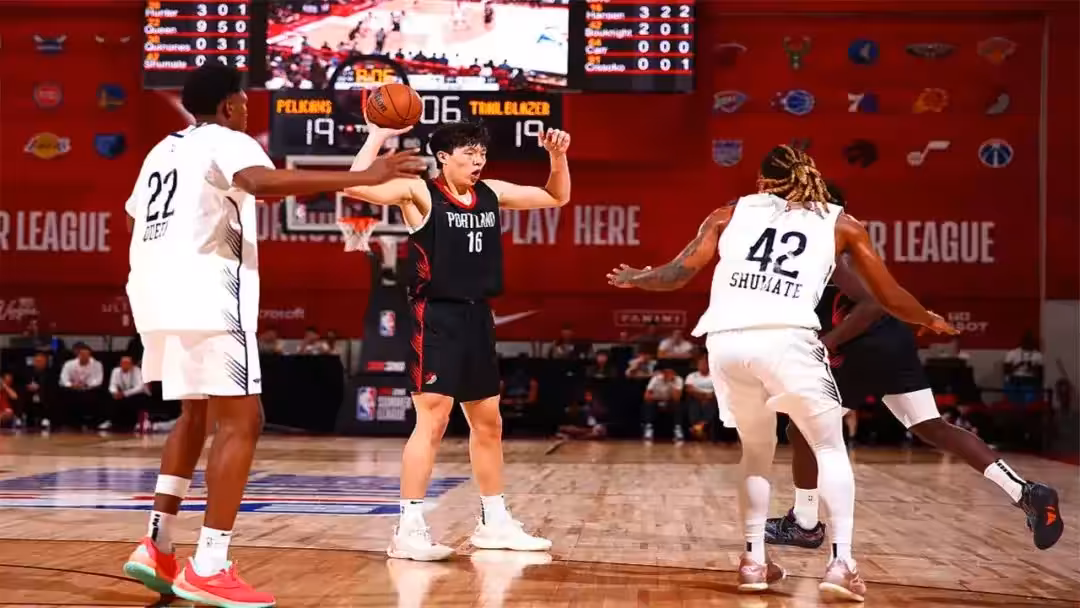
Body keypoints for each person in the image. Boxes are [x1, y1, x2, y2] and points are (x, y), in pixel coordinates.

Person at [119, 63, 426, 607]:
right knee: (243, 421)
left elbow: (132, 221)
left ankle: (158, 544)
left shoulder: (162, 150)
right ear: (230, 105)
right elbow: (260, 184)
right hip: (208, 291)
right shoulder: (227, 139)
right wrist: (365, 175)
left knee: (193, 415)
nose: (246, 107)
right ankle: (209, 565)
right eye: (243, 99)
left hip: (152, 292)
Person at [607, 145, 957, 601]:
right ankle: (842, 564)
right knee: (828, 445)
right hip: (786, 338)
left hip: (726, 341)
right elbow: (889, 297)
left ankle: (753, 561)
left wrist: (637, 276)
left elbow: (677, 273)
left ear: (762, 181)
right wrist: (927, 318)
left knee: (756, 451)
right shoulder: (842, 223)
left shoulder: (728, 213)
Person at [762, 183, 1064, 552]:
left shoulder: (829, 242)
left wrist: (829, 342)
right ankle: (1026, 492)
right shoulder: (846, 242)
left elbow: (872, 305)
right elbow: (884, 297)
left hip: (864, 346)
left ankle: (805, 524)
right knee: (931, 426)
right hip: (892, 341)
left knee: (801, 427)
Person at [343, 116, 571, 561]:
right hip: (436, 316)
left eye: (482, 153)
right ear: (444, 157)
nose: (478, 160)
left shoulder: (492, 193)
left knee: (489, 424)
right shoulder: (419, 193)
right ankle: (408, 528)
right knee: (433, 420)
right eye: (469, 153)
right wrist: (377, 136)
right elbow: (354, 187)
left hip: (477, 316)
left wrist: (557, 158)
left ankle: (493, 523)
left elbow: (556, 196)